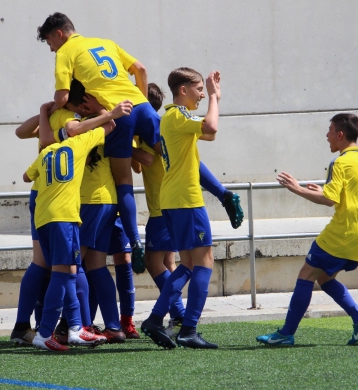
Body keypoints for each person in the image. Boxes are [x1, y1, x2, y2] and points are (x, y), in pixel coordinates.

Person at [37, 12, 161, 272]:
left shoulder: (65, 52)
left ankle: (136, 241)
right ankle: (220, 193)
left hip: (115, 112)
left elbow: (61, 98)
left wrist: (55, 109)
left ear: (59, 34)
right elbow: (141, 69)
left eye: (49, 41)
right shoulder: (106, 42)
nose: (51, 48)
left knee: (124, 181)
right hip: (141, 104)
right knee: (171, 157)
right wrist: (139, 100)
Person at [256, 113, 358, 347]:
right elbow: (348, 194)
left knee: (306, 275)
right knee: (323, 277)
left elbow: (329, 200)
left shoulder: (340, 162)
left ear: (340, 135)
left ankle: (286, 334)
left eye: (330, 130)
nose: (327, 135)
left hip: (341, 233)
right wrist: (320, 189)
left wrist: (297, 189)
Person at [25, 98, 131, 352]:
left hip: (43, 217)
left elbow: (27, 176)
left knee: (68, 271)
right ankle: (45, 331)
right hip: (66, 217)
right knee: (64, 274)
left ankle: (75, 327)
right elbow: (110, 126)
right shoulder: (79, 145)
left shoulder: (45, 153)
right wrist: (103, 110)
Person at [141, 68, 222, 349]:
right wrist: (215, 97)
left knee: (187, 264)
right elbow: (212, 127)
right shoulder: (178, 115)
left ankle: (154, 320)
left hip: (172, 201)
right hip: (186, 200)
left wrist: (210, 101)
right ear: (183, 90)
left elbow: (208, 134)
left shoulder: (173, 118)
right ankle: (189, 328)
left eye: (203, 90)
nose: (201, 93)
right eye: (198, 88)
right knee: (204, 261)